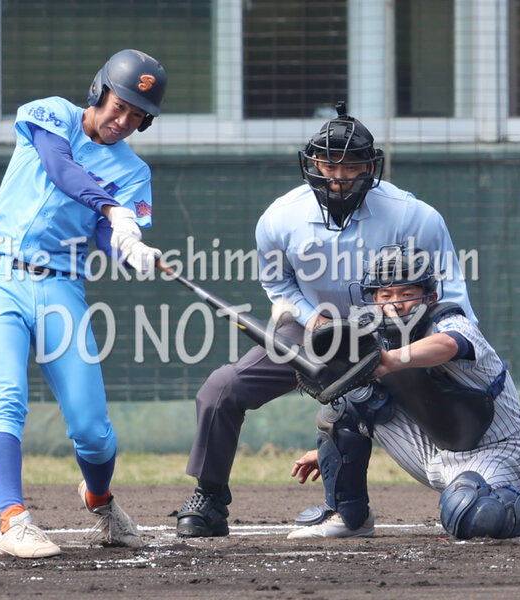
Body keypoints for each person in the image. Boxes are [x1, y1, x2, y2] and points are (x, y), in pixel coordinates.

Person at [175, 102, 477, 537]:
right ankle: (209, 497)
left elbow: (449, 294)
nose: (338, 176)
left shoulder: (414, 216)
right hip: (312, 334)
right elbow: (277, 283)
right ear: (311, 163)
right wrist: (309, 315)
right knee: (222, 388)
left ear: (370, 167)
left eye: (351, 165)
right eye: (328, 164)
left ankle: (468, 485)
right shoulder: (280, 218)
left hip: (394, 335)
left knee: (412, 408)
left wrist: (441, 351)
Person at [0, 49, 167, 558]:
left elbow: (106, 235)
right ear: (99, 91)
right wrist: (113, 210)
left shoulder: (133, 172)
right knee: (6, 399)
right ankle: (13, 521)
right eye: (118, 106)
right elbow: (60, 168)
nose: (122, 121)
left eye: (136, 116)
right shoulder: (52, 113)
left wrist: (130, 250)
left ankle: (100, 500)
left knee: (92, 429)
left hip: (62, 288)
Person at [286, 246, 520, 540]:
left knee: (469, 513)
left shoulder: (448, 321)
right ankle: (349, 517)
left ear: (429, 296)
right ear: (373, 299)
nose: (395, 304)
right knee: (346, 403)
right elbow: (359, 404)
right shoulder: (373, 334)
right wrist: (334, 450)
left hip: (495, 451)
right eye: (385, 295)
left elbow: (448, 345)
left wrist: (390, 360)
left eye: (407, 294)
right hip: (432, 450)